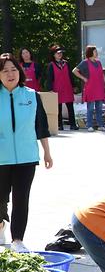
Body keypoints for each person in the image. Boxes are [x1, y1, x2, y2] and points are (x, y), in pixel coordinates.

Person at [0, 54, 53, 251]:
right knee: (0, 198)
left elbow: (42, 127)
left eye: (13, 69)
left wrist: (47, 153)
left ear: (19, 72)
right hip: (1, 157)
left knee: (21, 198)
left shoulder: (31, 95)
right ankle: (0, 225)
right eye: (4, 70)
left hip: (27, 156)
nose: (10, 74)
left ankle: (17, 240)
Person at [73, 45, 105, 132]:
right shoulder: (85, 62)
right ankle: (89, 125)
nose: (96, 53)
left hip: (99, 87)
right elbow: (74, 71)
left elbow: (102, 74)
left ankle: (101, 125)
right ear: (90, 52)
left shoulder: (99, 63)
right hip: (90, 88)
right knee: (90, 108)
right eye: (95, 51)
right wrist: (83, 78)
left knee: (99, 108)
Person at [45, 45, 77, 131]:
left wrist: (73, 86)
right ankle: (59, 125)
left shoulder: (66, 63)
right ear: (53, 54)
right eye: (57, 53)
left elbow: (70, 76)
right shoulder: (51, 65)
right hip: (57, 88)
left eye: (61, 53)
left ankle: (73, 124)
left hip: (67, 87)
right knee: (58, 108)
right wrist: (50, 89)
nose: (60, 54)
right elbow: (49, 78)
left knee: (70, 107)